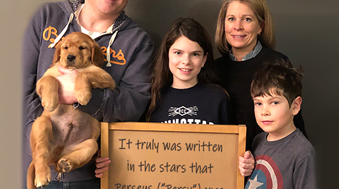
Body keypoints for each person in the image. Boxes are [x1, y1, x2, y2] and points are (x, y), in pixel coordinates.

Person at [22, 0, 153, 189]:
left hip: (96, 177)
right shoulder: (46, 17)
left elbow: (134, 104)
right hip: (40, 169)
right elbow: (16, 86)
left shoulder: (137, 40)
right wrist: (42, 143)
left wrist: (81, 98)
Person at [96, 17, 255, 178]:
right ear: (167, 55)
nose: (186, 61)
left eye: (195, 54)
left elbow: (234, 151)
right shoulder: (151, 98)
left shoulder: (217, 98)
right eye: (178, 53)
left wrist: (244, 164)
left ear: (204, 59)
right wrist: (110, 160)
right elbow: (133, 151)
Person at [214, 0, 306, 152]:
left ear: (260, 27)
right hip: (223, 164)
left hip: (269, 164)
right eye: (231, 19)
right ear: (223, 25)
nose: (237, 26)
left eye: (247, 19)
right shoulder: (213, 70)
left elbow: (295, 126)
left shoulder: (277, 63)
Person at [232, 61, 316, 189]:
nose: (264, 111)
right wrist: (246, 169)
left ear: (295, 105)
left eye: (274, 102)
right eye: (258, 103)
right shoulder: (257, 141)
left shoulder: (302, 152)